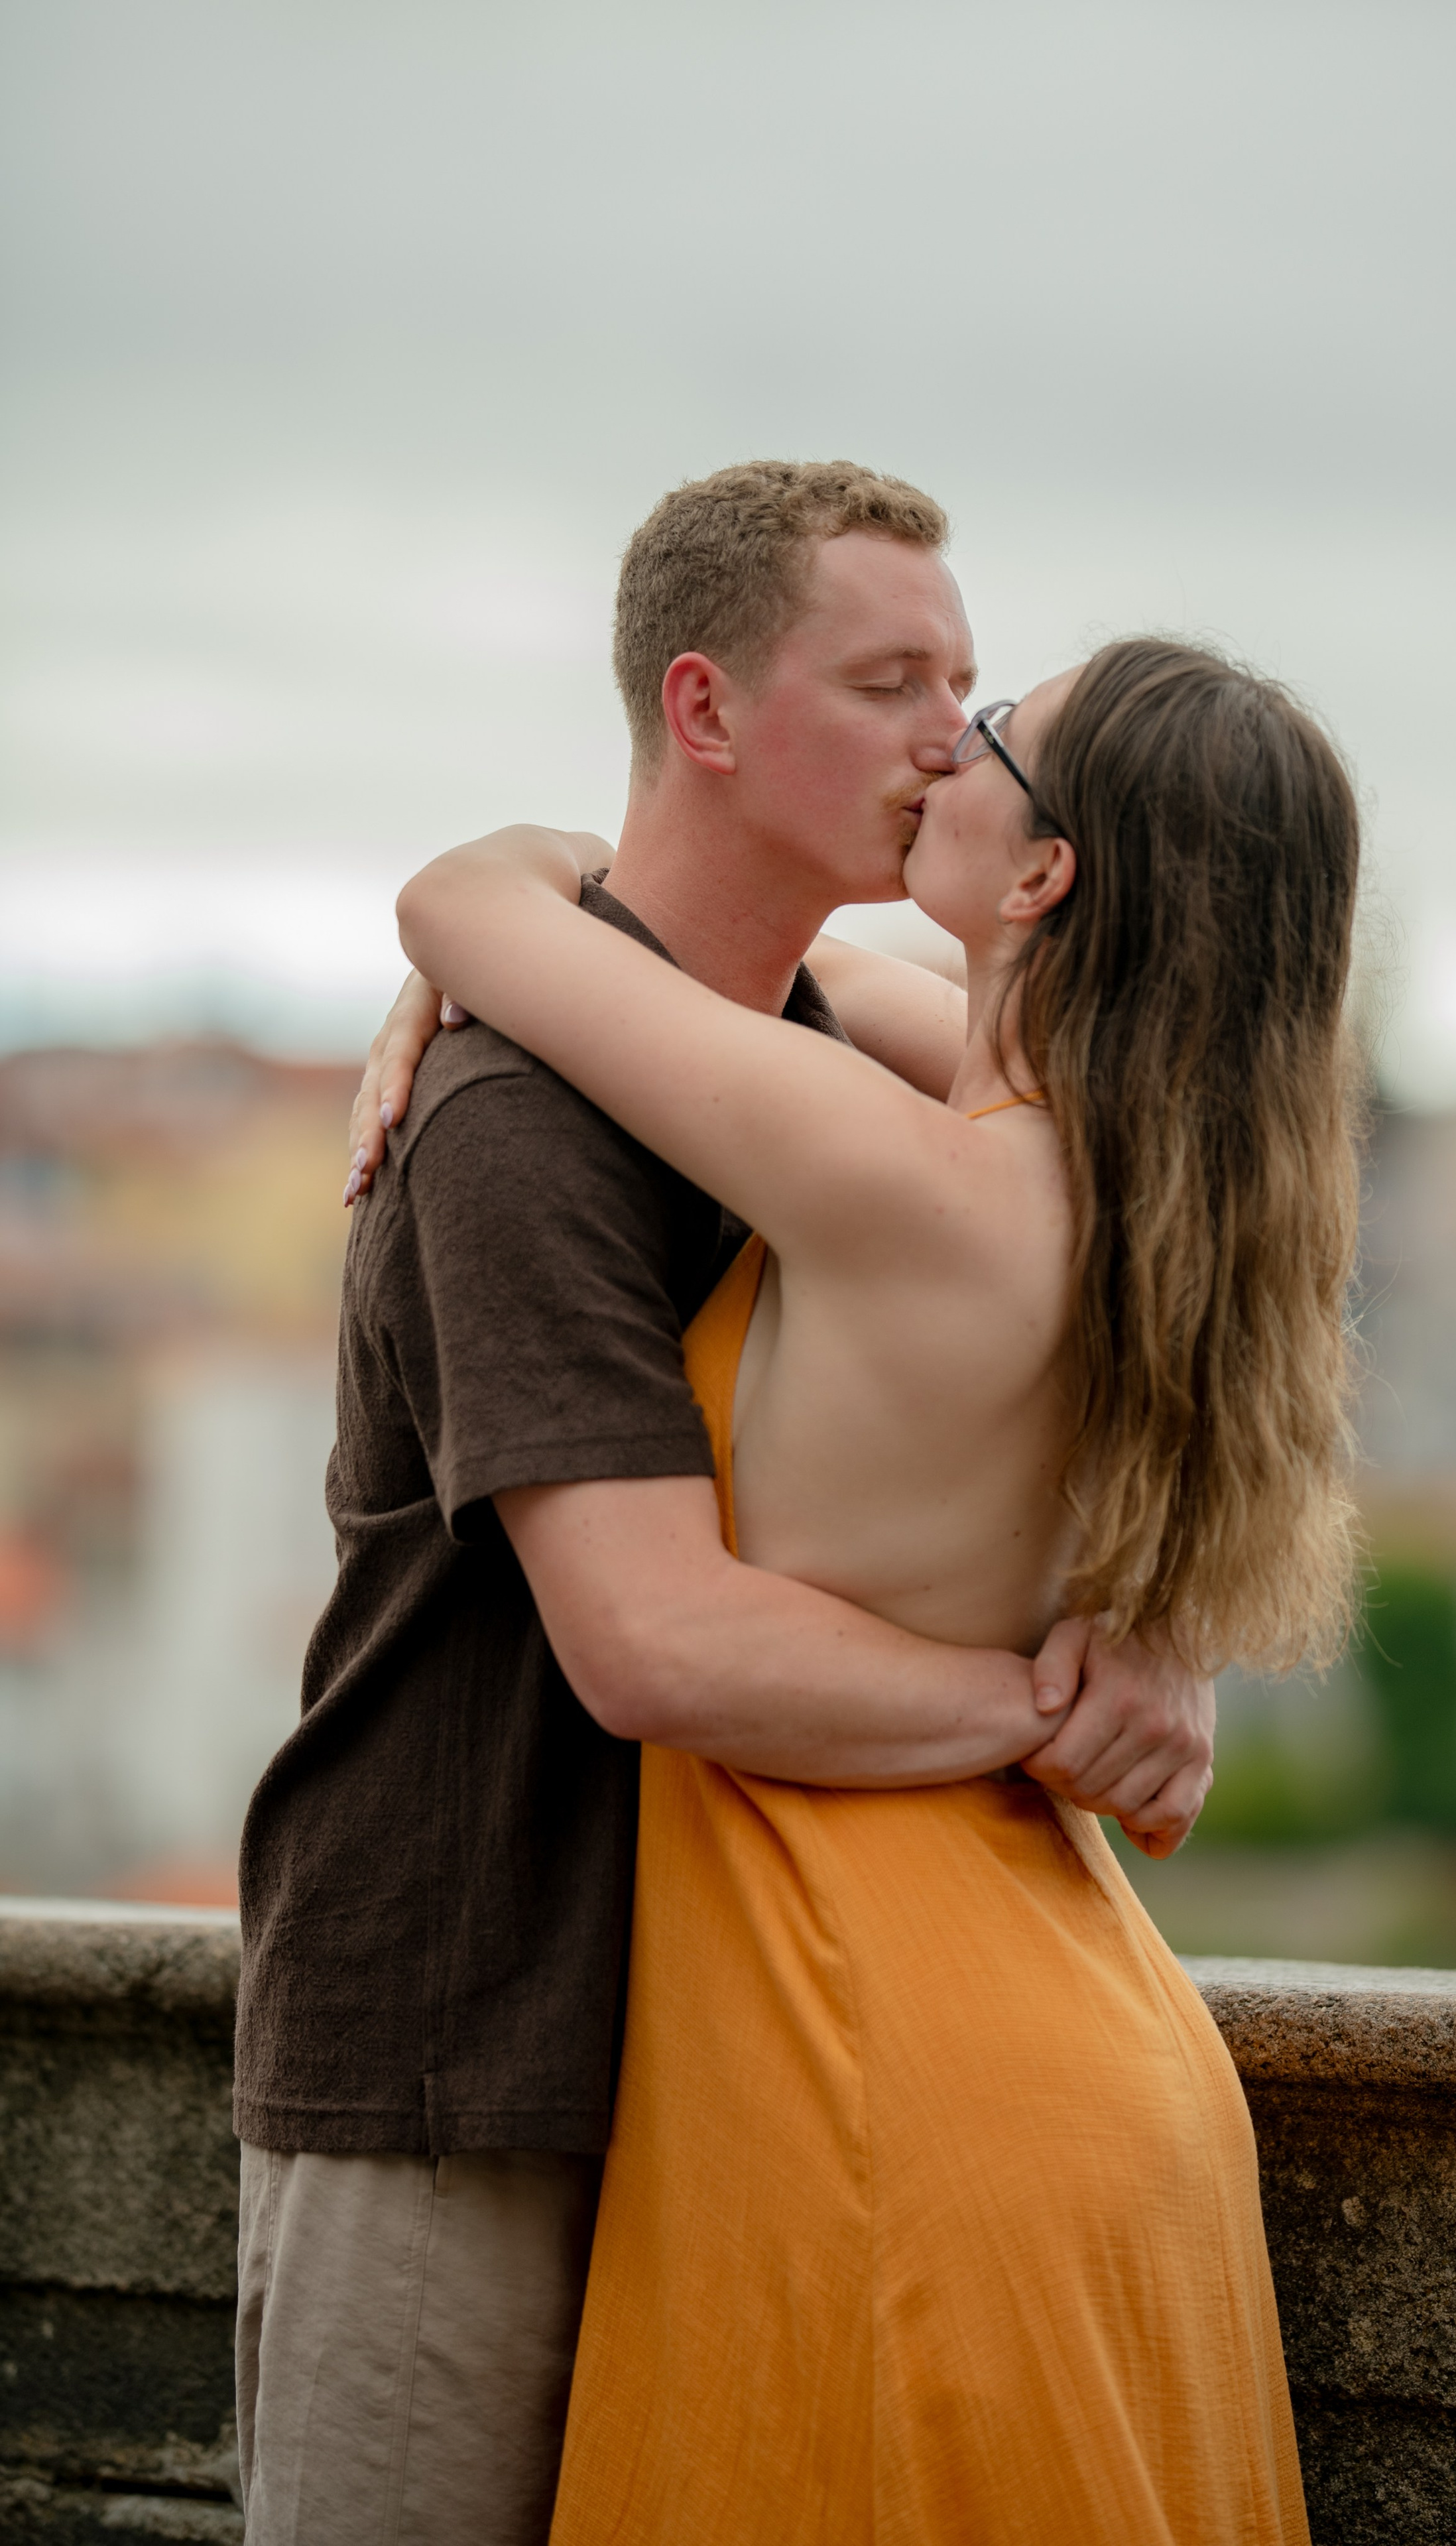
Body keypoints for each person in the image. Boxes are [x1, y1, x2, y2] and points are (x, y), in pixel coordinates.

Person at [234, 461, 1216, 2546]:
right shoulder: (514, 1121)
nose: (950, 739)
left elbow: (1137, 1256)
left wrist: (1155, 1613)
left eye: (966, 687)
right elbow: (654, 1639)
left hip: (723, 2042)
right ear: (704, 712)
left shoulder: (818, 1064)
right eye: (887, 684)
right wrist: (1048, 1707)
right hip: (471, 2052)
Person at [390, 630, 1361, 2543]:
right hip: (1085, 2045)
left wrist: (478, 909)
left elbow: (461, 905)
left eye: (987, 735)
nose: (939, 754)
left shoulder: (898, 1175)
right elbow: (810, 971)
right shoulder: (1142, 1183)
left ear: (1044, 873)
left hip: (867, 2039)